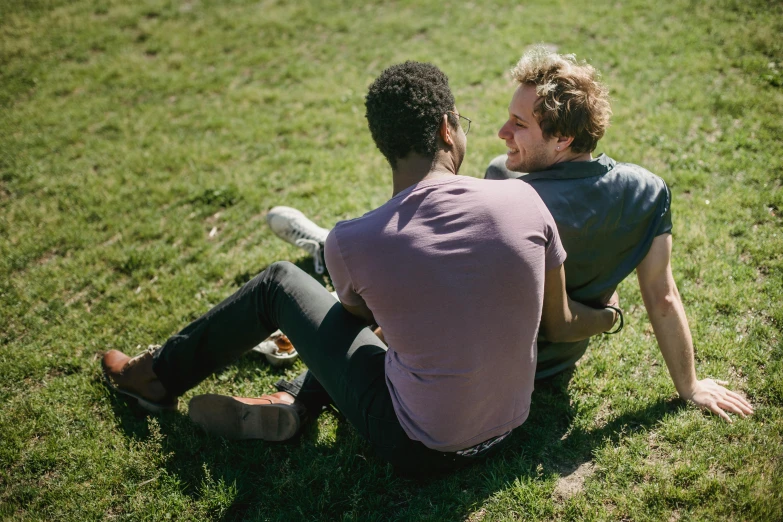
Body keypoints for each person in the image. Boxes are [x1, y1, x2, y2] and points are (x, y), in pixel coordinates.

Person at [102, 61, 619, 476]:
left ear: (383, 146)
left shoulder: (354, 240)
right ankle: (290, 398)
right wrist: (610, 316)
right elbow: (559, 323)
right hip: (512, 425)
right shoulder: (525, 201)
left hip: (419, 448)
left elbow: (349, 323)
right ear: (447, 128)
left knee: (282, 284)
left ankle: (154, 376)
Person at [269, 47, 753, 423]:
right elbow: (662, 296)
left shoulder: (506, 189)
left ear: (563, 138)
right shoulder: (647, 192)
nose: (501, 131)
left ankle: (324, 266)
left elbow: (439, 291)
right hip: (556, 364)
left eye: (519, 124)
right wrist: (688, 385)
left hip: (495, 365)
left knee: (375, 286)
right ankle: (328, 252)